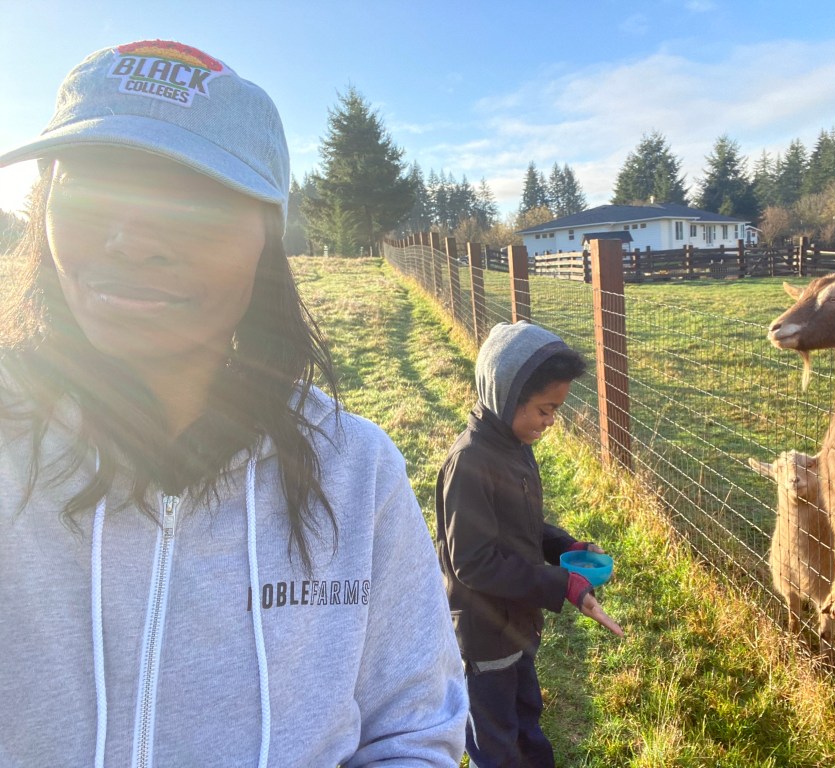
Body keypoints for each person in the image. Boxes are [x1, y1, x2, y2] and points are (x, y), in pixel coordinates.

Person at [0, 40, 467, 767]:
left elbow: (413, 727)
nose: (130, 242)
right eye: (90, 187)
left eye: (190, 201)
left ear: (266, 239)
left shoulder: (358, 473)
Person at [435, 320, 624, 767]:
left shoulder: (515, 447)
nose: (551, 420)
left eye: (555, 409)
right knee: (496, 741)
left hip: (517, 623)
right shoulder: (470, 463)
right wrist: (562, 584)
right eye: (544, 409)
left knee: (527, 720)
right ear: (506, 395)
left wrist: (565, 547)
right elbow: (474, 563)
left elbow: (524, 524)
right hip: (484, 635)